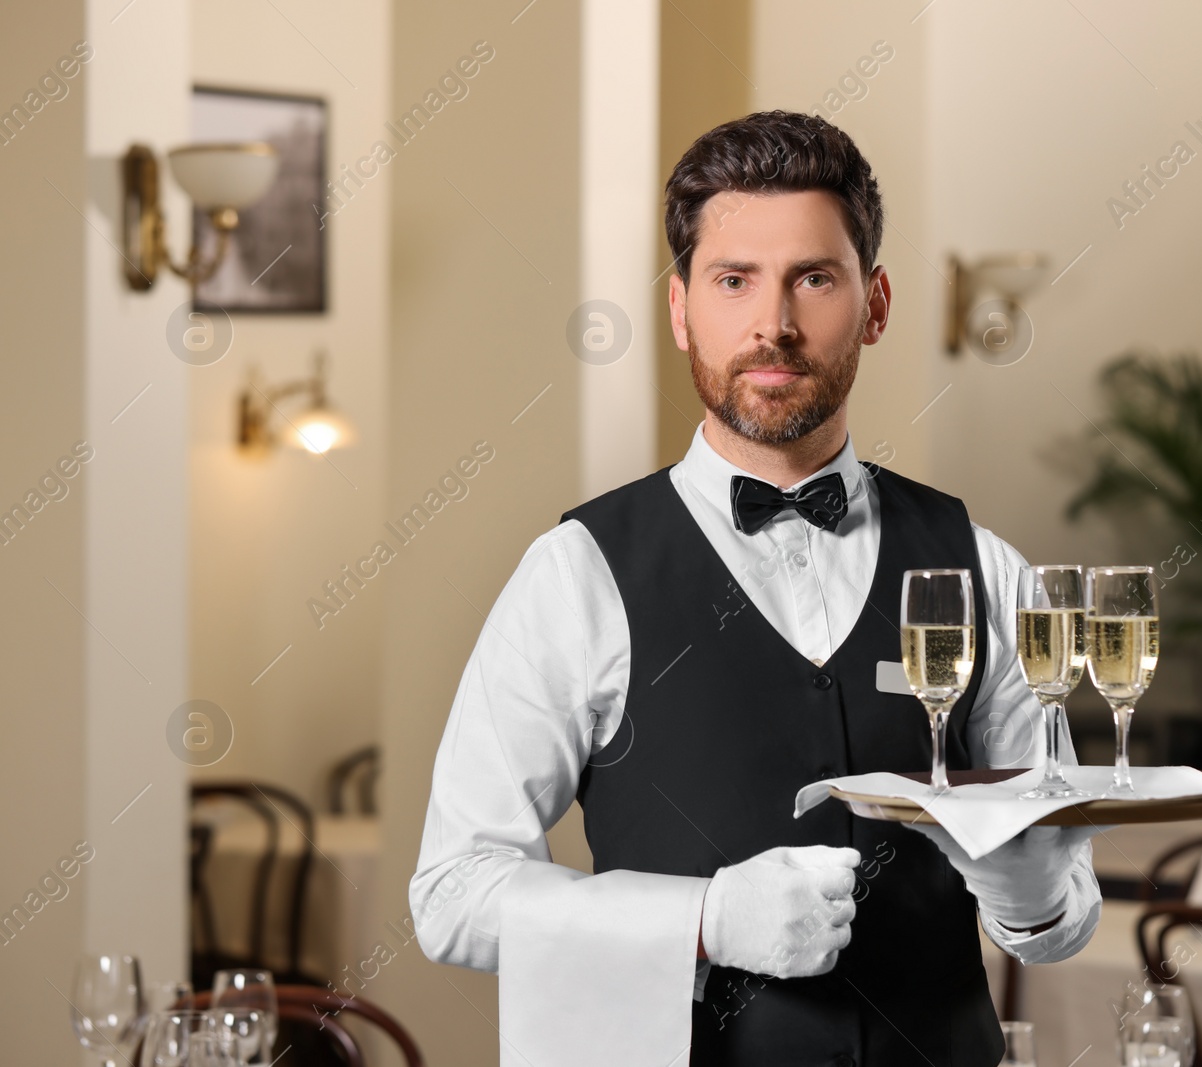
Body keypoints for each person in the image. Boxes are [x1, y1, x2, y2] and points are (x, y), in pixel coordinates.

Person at [410, 109, 1102, 1067]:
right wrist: (703, 918)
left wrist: (1028, 888)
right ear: (682, 307)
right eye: (734, 281)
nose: (772, 324)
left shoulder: (982, 564)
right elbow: (451, 892)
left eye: (813, 279)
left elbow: (1064, 924)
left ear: (875, 303)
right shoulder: (577, 576)